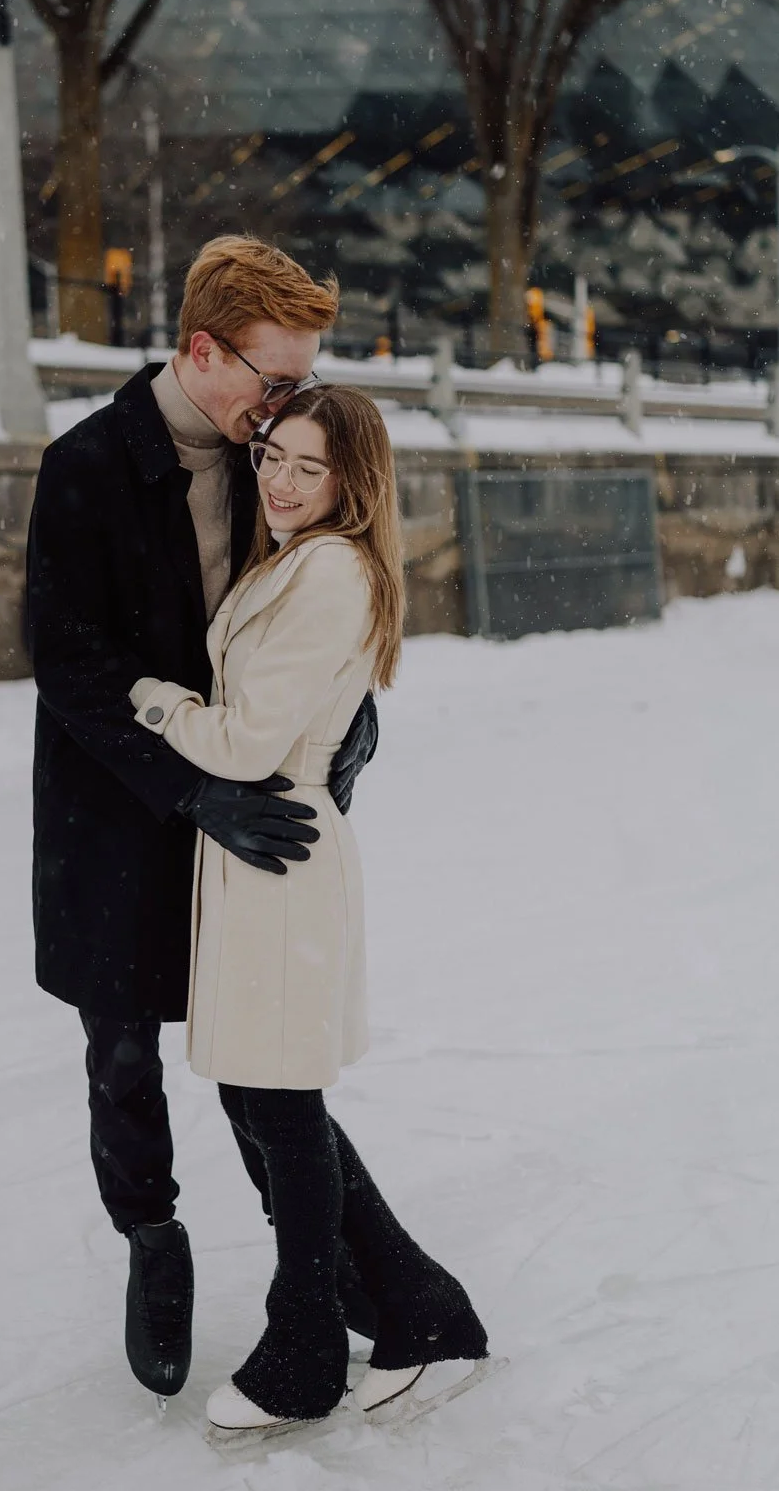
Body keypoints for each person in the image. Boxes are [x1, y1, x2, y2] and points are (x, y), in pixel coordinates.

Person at [24, 237, 379, 1400]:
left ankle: (335, 1278)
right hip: (119, 807)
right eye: (273, 382)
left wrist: (351, 717)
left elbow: (317, 587)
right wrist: (191, 789)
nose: (285, 413)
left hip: (245, 799)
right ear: (200, 351)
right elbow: (70, 667)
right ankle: (152, 1239)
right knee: (122, 1049)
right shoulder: (84, 466)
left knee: (260, 1067)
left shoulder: (261, 456)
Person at [127, 385, 489, 1440]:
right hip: (255, 853)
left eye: (306, 468)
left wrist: (154, 700)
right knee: (263, 1102)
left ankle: (308, 1343)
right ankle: (419, 1308)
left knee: (278, 1110)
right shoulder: (295, 555)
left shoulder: (331, 568)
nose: (279, 483)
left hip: (277, 851)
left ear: (351, 482)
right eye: (271, 458)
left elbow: (241, 743)